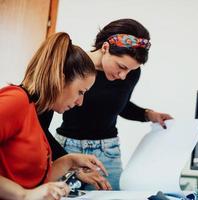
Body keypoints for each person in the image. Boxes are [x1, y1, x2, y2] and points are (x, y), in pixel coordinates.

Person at [53, 18, 173, 190]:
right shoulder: (74, 65)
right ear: (105, 48)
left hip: (108, 153)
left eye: (130, 70)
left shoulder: (131, 74)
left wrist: (148, 114)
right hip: (67, 148)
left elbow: (119, 105)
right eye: (121, 66)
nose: (124, 76)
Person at [0, 32, 108, 200]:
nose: (80, 102)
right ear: (60, 79)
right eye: (80, 92)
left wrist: (69, 161)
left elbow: (30, 181)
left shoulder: (35, 112)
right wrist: (24, 195)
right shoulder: (16, 101)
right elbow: (27, 191)